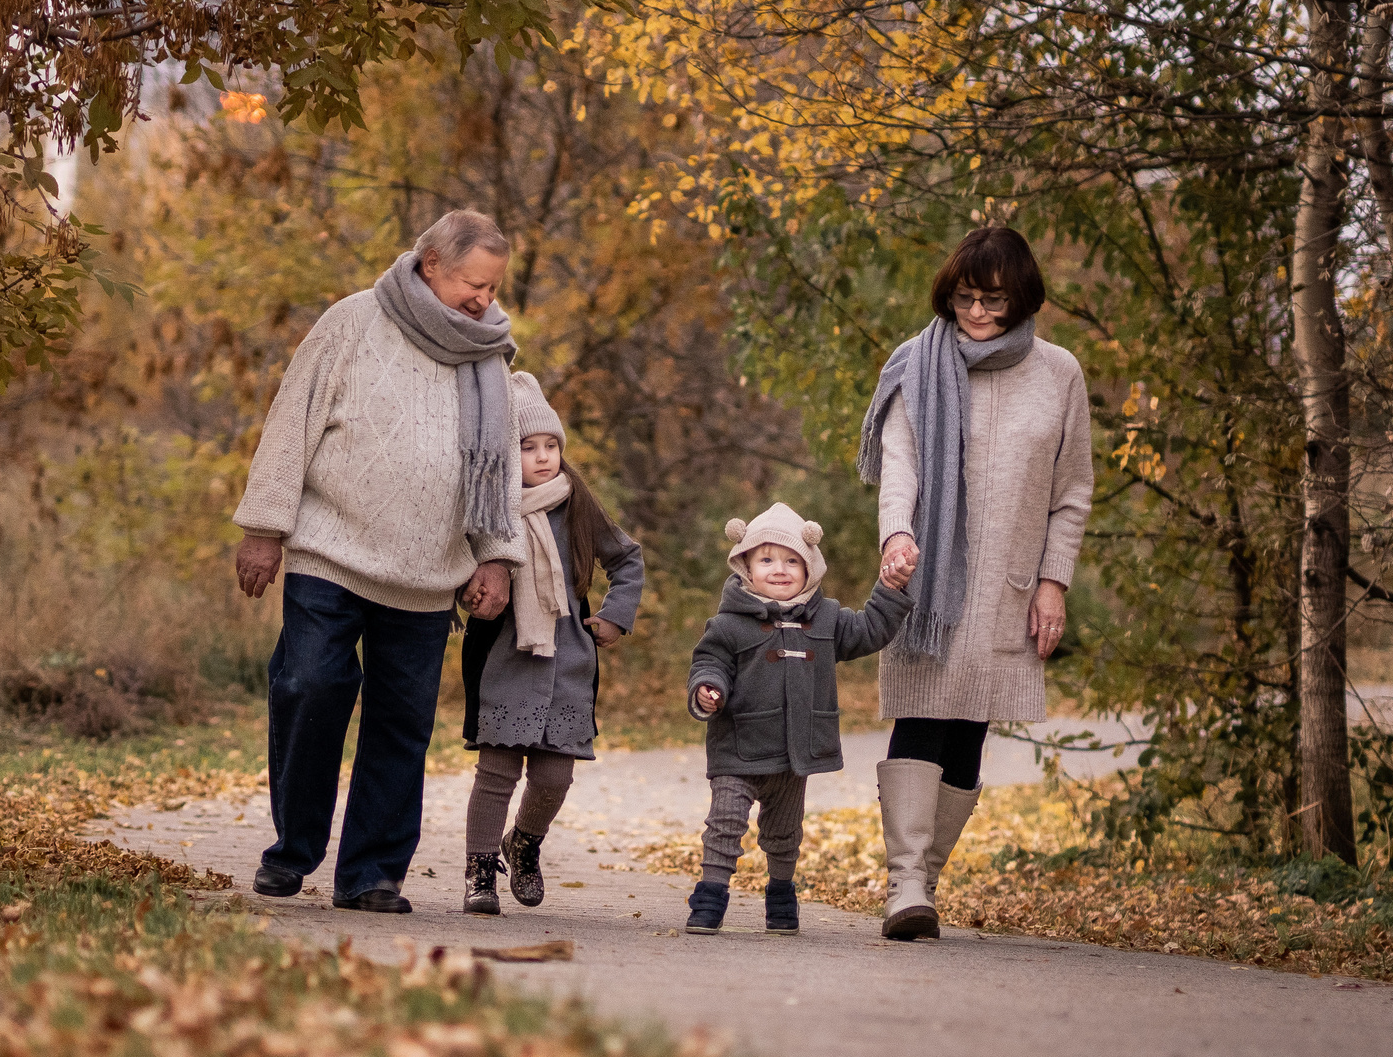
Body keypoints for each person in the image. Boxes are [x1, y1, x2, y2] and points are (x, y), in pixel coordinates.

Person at [230, 210, 525, 914]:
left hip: (429, 573)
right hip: (329, 551)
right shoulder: (352, 322)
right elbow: (290, 422)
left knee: (401, 725)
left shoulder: (487, 352)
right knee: (309, 685)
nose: (485, 299)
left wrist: (497, 557)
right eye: (474, 284)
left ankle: (371, 874)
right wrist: (265, 528)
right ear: (431, 262)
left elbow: (503, 464)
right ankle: (294, 848)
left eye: (493, 287)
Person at [858, 224, 1094, 941]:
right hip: (927, 581)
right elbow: (899, 462)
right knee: (921, 714)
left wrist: (1053, 582)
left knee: (968, 729)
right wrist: (897, 534)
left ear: (1022, 297)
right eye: (965, 298)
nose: (978, 313)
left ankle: (924, 881)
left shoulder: (1059, 374)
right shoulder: (919, 362)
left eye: (994, 299)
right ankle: (904, 883)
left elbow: (1072, 492)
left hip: (1008, 585)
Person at [458, 374, 644, 913]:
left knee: (554, 776)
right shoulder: (487, 505)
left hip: (568, 658)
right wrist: (467, 588)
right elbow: (456, 560)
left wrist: (615, 616)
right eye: (527, 447)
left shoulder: (575, 501)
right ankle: (479, 871)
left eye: (551, 445)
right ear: (505, 453)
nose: (543, 457)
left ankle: (523, 842)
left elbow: (626, 558)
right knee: (497, 771)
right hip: (504, 654)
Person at [683, 504, 912, 934]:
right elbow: (709, 663)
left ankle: (781, 897)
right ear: (746, 567)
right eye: (766, 559)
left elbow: (870, 630)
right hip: (738, 748)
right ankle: (710, 897)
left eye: (792, 561)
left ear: (810, 568)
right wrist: (707, 689)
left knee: (785, 832)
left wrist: (890, 589)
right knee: (725, 822)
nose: (780, 569)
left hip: (794, 753)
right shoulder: (728, 624)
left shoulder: (826, 619)